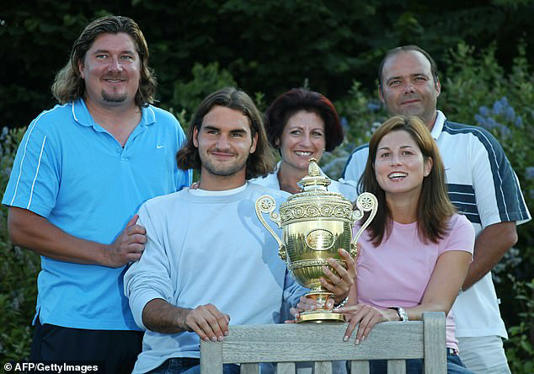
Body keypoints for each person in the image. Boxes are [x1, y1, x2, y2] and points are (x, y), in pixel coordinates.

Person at [2, 16, 192, 373]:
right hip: (74, 326)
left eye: (127, 57)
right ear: (81, 65)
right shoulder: (50, 130)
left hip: (157, 326)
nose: (115, 67)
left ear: (141, 66)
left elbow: (187, 219)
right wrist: (107, 253)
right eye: (102, 56)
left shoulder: (168, 129)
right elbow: (21, 225)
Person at [124, 87, 356, 374]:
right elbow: (144, 298)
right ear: (195, 137)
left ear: (254, 142)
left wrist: (330, 295)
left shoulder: (284, 209)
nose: (223, 143)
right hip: (177, 360)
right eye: (213, 132)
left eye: (236, 134)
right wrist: (186, 317)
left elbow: (300, 293)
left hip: (252, 359)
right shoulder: (158, 211)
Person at [342, 45, 531, 373]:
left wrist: (439, 291)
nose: (409, 88)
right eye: (396, 81)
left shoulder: (475, 143)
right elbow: (350, 245)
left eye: (418, 78)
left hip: (470, 328)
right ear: (381, 92)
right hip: (378, 339)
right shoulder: (362, 158)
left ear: (437, 85)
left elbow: (503, 232)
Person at [336, 115, 475, 373]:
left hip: (433, 352)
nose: (395, 162)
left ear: (427, 165)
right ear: (374, 166)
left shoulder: (457, 228)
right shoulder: (352, 227)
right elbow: (348, 306)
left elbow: (437, 306)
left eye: (407, 153)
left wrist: (393, 314)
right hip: (370, 351)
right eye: (385, 155)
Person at [251, 88, 356, 201]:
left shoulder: (346, 197)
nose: (306, 143)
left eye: (316, 133)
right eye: (296, 132)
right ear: (278, 137)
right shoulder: (251, 194)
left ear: (326, 140)